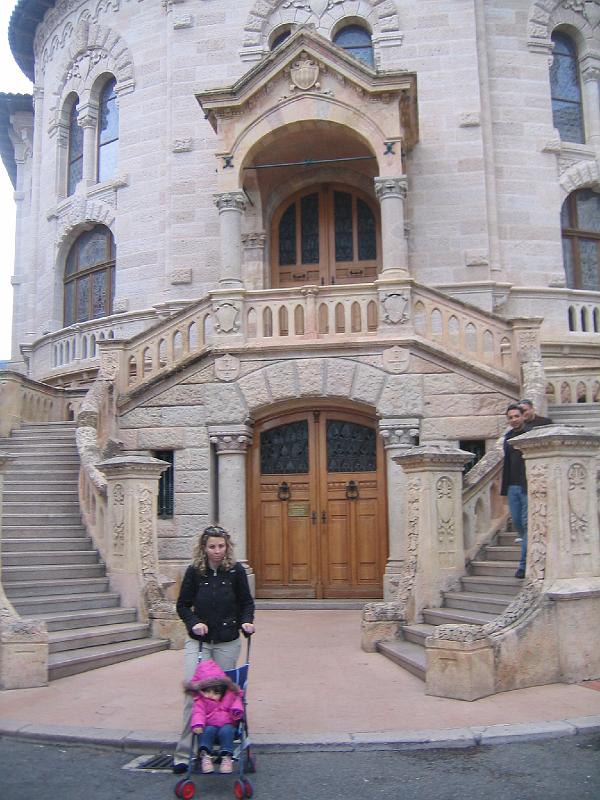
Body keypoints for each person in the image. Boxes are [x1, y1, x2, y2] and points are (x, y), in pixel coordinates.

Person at [173, 525, 255, 774]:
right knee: (194, 693)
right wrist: (193, 623)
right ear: (204, 548)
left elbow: (246, 602)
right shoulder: (194, 572)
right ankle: (184, 754)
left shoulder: (236, 571)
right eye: (212, 547)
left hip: (227, 641)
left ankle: (222, 748)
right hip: (199, 642)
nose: (217, 551)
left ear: (227, 546)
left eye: (221, 546)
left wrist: (246, 621)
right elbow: (182, 605)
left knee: (224, 697)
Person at [187, 659, 245, 775]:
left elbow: (237, 701)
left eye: (215, 693)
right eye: (207, 692)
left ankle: (226, 757)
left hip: (227, 724)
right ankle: (205, 756)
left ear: (222, 690)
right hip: (209, 725)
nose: (211, 696)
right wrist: (198, 724)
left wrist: (236, 711)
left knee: (227, 730)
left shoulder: (230, 695)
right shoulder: (201, 700)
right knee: (207, 731)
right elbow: (198, 712)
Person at [500, 404, 528, 579]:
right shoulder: (508, 437)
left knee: (526, 524)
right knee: (518, 524)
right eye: (510, 417)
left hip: (527, 486)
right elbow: (507, 464)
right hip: (513, 487)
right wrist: (505, 489)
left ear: (523, 416)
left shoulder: (530, 434)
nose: (514, 420)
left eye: (516, 416)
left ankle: (523, 566)